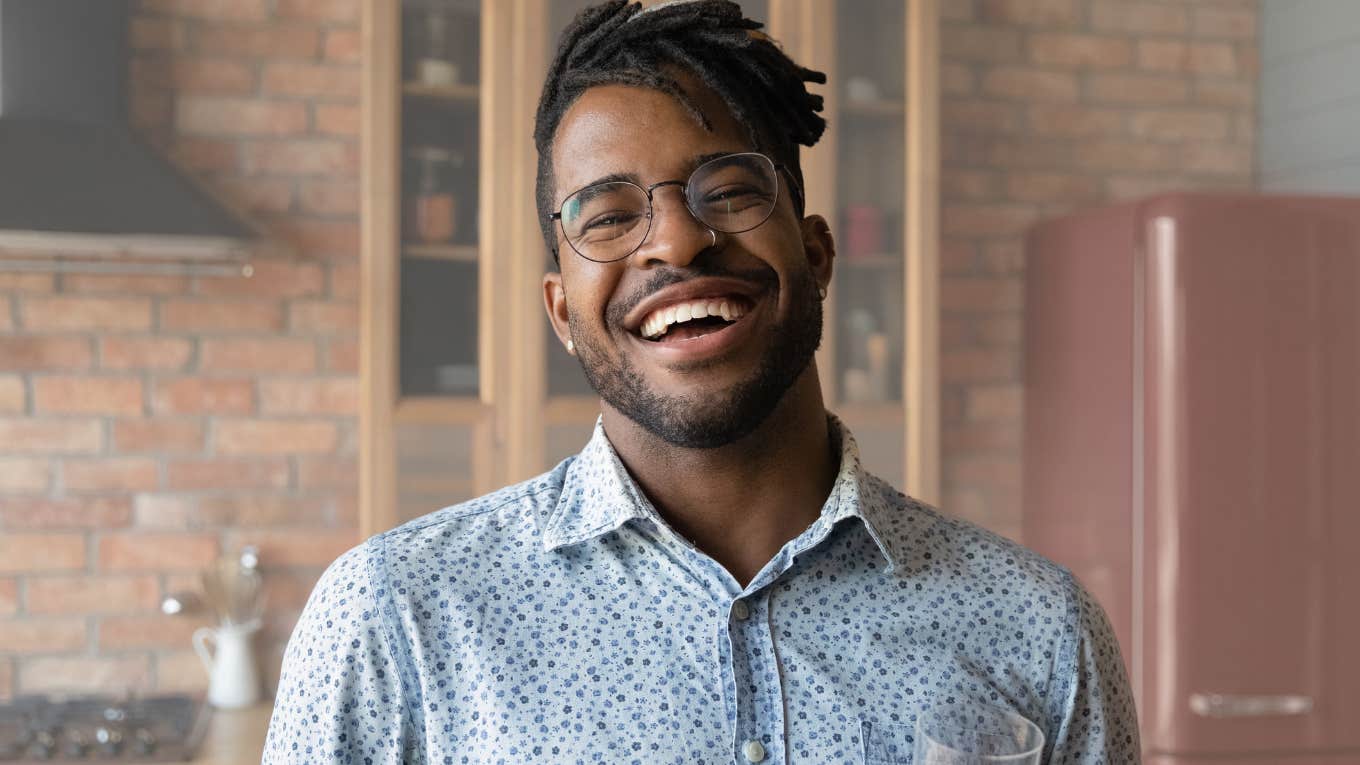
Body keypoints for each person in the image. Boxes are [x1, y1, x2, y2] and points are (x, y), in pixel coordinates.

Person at [263, 2, 1139, 762]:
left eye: (726, 191)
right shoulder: (393, 620)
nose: (676, 243)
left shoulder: (1039, 630)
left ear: (818, 256)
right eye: (607, 216)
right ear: (562, 312)